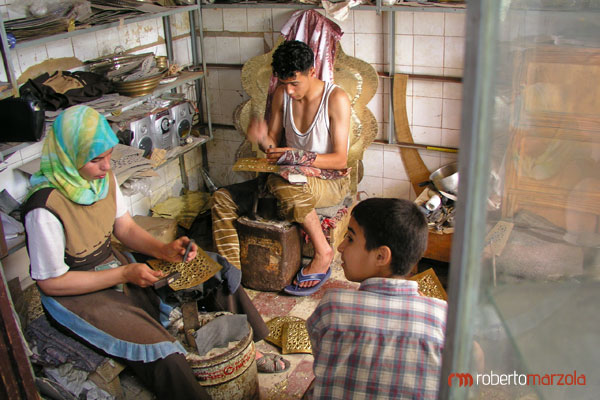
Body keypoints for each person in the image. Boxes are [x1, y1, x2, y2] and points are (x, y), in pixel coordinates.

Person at [21, 105, 272, 399]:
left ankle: (250, 351)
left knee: (213, 272)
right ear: (68, 157)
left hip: (115, 265)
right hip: (76, 292)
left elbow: (125, 229)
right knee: (164, 354)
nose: (105, 167)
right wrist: (125, 273)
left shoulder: (103, 179)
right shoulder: (43, 209)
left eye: (108, 156)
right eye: (95, 160)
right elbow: (50, 283)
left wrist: (165, 250)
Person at [211, 39, 352, 296]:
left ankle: (323, 251)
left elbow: (340, 160)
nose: (288, 90)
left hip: (329, 182)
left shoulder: (336, 98)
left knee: (281, 180)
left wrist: (296, 155)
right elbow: (273, 148)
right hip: (289, 178)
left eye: (294, 83)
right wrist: (263, 137)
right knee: (222, 198)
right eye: (284, 83)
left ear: (312, 71)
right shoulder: (281, 95)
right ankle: (231, 273)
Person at [305, 198, 448, 399]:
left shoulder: (332, 307)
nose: (341, 247)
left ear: (381, 256)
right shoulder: (443, 317)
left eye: (350, 238)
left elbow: (323, 357)